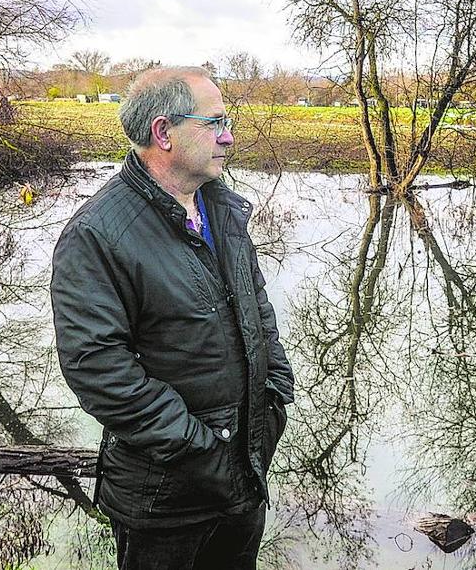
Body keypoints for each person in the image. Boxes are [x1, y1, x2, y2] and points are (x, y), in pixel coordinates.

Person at [51, 66, 294, 570]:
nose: (229, 136)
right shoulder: (98, 235)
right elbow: (98, 369)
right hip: (165, 499)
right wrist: (199, 450)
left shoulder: (222, 210)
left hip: (245, 478)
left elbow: (257, 308)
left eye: (229, 121)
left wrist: (275, 396)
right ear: (163, 133)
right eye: (214, 123)